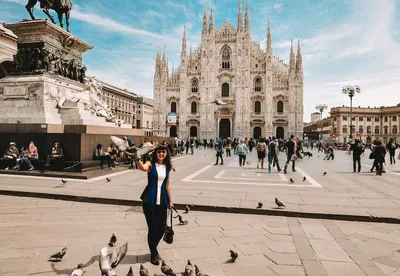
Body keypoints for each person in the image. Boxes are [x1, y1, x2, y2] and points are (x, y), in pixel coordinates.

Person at [135, 145, 174, 266]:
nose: (161, 154)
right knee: (152, 229)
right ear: (155, 153)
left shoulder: (167, 167)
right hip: (149, 199)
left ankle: (153, 248)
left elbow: (167, 185)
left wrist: (171, 201)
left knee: (161, 228)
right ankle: (153, 253)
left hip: (162, 200)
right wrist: (137, 158)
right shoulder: (150, 164)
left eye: (163, 152)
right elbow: (142, 168)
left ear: (166, 153)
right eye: (159, 152)